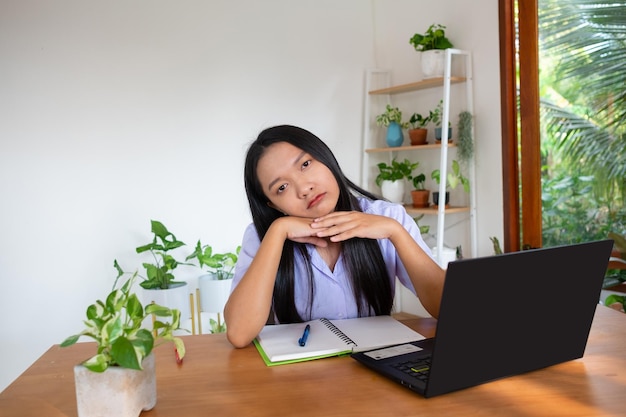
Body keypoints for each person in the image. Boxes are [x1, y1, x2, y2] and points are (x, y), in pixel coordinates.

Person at [224, 125, 445, 348]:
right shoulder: (263, 237)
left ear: (325, 157)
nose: (304, 188)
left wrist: (395, 232)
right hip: (299, 376)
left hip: (378, 368)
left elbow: (447, 308)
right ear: (273, 204)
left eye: (305, 164)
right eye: (281, 187)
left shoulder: (387, 217)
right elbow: (239, 333)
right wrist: (278, 231)